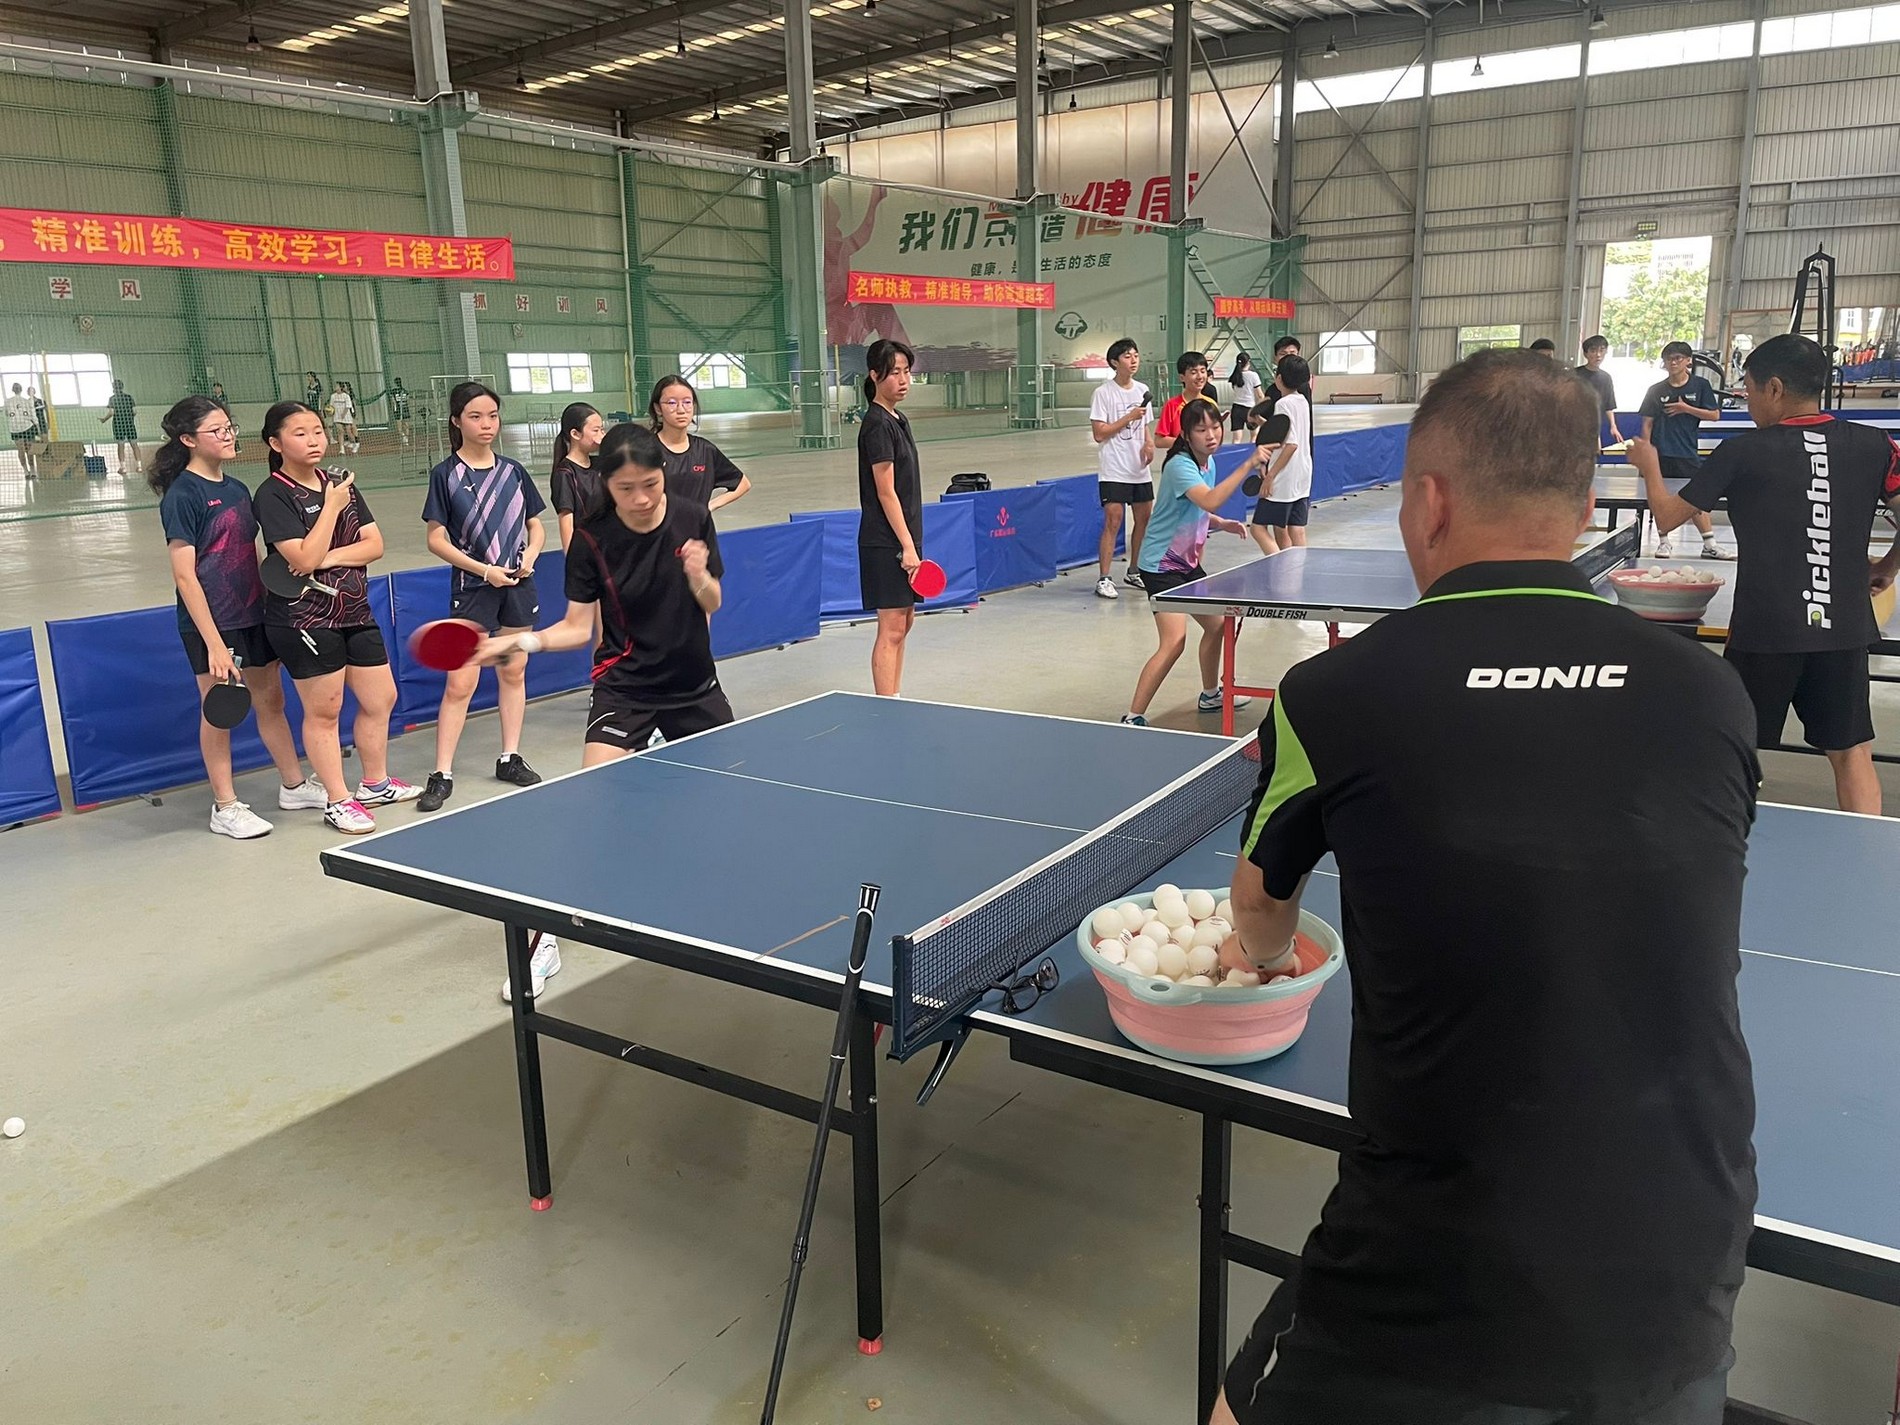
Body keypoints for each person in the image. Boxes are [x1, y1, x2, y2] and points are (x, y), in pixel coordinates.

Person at [1209, 348, 1759, 1425]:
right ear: (1578, 503)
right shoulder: (1711, 694)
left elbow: (1259, 917)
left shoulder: (1330, 693)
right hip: (1685, 1251)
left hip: (1441, 1254)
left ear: (1428, 501)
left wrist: (1261, 956)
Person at [469, 422, 727, 998]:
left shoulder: (691, 515)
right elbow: (576, 628)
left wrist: (699, 575)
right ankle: (544, 941)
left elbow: (713, 601)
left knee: (736, 802)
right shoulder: (592, 539)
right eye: (626, 488)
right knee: (590, 810)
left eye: (651, 484)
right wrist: (521, 641)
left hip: (694, 686)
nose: (641, 498)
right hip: (626, 689)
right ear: (606, 485)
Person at [1634, 333, 1900, 816]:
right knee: (1852, 754)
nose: (1749, 401)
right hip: (1842, 630)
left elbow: (1667, 517)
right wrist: (1887, 566)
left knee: (1735, 751)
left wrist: (1649, 466)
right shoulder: (1876, 444)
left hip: (1765, 632)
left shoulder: (1741, 451)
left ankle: (1721, 845)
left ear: (1774, 388)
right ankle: (1868, 848)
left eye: (1750, 390)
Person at [151, 396, 321, 839]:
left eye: (229, 427)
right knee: (220, 712)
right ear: (188, 440)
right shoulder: (183, 495)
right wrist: (213, 644)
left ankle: (294, 786)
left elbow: (250, 556)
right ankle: (225, 807)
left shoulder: (238, 489)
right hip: (211, 623)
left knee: (271, 701)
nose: (228, 435)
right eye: (217, 430)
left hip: (252, 614)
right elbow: (185, 576)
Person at [253, 401, 417, 835]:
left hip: (354, 610)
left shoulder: (340, 482)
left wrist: (323, 557)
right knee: (325, 711)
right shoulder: (272, 494)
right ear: (276, 443)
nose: (314, 440)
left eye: (318, 431)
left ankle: (375, 784)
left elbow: (373, 545)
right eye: (300, 433)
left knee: (381, 698)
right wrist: (330, 509)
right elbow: (300, 558)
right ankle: (338, 800)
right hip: (305, 619)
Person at [417, 381, 547, 814]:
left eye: (492, 415)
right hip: (473, 588)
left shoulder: (514, 471)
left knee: (513, 670)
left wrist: (531, 555)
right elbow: (436, 539)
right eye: (475, 416)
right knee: (461, 682)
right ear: (457, 421)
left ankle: (510, 757)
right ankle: (442, 773)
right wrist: (484, 570)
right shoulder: (445, 475)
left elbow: (535, 524)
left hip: (518, 585)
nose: (486, 424)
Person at [1122, 399, 1258, 726]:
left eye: (1215, 427)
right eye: (1201, 429)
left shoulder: (1207, 463)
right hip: (1160, 565)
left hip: (1187, 563)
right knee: (1174, 642)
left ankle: (1210, 694)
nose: (1211, 435)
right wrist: (1248, 464)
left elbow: (1195, 507)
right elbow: (1208, 499)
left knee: (1216, 625)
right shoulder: (1179, 466)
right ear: (1186, 434)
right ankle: (1133, 716)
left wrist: (1220, 523)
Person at [857, 338, 924, 697]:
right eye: (894, 372)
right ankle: (886, 706)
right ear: (874, 375)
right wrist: (907, 546)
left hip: (903, 537)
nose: (903, 380)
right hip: (886, 541)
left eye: (906, 372)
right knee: (892, 626)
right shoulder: (877, 424)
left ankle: (895, 698)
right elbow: (886, 492)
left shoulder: (898, 419)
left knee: (904, 621)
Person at [1640, 341, 1733, 559]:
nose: (1673, 363)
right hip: (1660, 453)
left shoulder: (1700, 385)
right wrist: (1646, 452)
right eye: (1668, 359)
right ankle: (1664, 542)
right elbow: (1647, 423)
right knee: (1660, 499)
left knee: (1695, 499)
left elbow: (1714, 415)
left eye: (1677, 358)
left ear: (1688, 361)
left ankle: (1709, 544)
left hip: (1686, 452)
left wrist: (1686, 408)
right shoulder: (1656, 390)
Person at [1090, 337, 1155, 599]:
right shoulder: (1103, 393)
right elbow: (1099, 433)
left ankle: (1135, 570)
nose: (1134, 360)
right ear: (1115, 362)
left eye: (1136, 355)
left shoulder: (1142, 390)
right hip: (1114, 469)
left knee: (1144, 520)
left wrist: (1148, 443)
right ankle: (1104, 578)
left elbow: (1145, 425)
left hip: (1139, 470)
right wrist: (1128, 417)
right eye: (1127, 356)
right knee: (1113, 521)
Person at [648, 375, 751, 513]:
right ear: (658, 408)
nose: (681, 410)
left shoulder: (705, 450)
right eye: (672, 403)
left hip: (699, 527)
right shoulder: (645, 450)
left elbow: (743, 484)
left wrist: (708, 507)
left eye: (687, 402)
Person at [1250, 354, 1315, 557]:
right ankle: (1299, 570)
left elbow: (1291, 445)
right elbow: (1283, 434)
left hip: (1285, 477)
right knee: (1296, 527)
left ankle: (1280, 567)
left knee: (1258, 528)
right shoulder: (1302, 401)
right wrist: (1259, 421)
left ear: (1278, 378)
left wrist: (1270, 476)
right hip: (1303, 474)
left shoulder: (1283, 404)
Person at [549, 401, 605, 552]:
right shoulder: (565, 473)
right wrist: (572, 559)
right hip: (588, 550)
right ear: (575, 434)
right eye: (595, 430)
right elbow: (566, 521)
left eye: (602, 429)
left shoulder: (600, 463)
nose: (601, 435)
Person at [1153, 350, 1221, 450]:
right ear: (1182, 377)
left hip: (1206, 458)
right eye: (1193, 372)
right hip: (1181, 457)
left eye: (1203, 371)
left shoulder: (1211, 404)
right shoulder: (1172, 405)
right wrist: (1187, 442)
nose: (1200, 376)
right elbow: (1159, 441)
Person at [1575, 334, 1625, 447]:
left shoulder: (1606, 378)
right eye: (1593, 351)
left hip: (1594, 427)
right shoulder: (1575, 374)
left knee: (1594, 454)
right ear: (1585, 354)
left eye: (1601, 350)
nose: (1598, 355)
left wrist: (1613, 426)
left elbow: (1609, 405)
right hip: (1574, 426)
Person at [102, 379, 141, 475]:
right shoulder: (129, 397)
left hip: (118, 424)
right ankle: (139, 466)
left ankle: (123, 468)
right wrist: (129, 417)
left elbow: (111, 412)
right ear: (122, 387)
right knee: (134, 445)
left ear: (113, 388)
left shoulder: (112, 399)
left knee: (120, 445)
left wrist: (104, 419)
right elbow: (135, 412)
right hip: (129, 424)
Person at [1227, 352, 1264, 443]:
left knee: (1236, 439)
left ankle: (1235, 453)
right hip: (1250, 409)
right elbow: (1260, 395)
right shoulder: (1253, 375)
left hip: (1236, 408)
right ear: (1248, 362)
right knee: (1254, 437)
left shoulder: (1235, 375)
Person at [7, 383, 38, 479]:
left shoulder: (7, 402)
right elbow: (32, 414)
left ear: (13, 390)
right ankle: (32, 470)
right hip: (27, 427)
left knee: (20, 450)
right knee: (29, 449)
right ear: (21, 390)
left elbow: (7, 414)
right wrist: (36, 424)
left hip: (15, 429)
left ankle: (26, 472)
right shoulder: (26, 401)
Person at [330, 381, 358, 455]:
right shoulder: (333, 396)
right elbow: (331, 406)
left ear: (341, 387)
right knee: (340, 431)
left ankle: (355, 444)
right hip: (337, 416)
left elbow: (348, 406)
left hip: (346, 416)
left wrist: (343, 414)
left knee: (348, 431)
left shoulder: (346, 396)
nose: (335, 387)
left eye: (337, 386)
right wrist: (331, 413)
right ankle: (341, 449)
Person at [384, 377, 413, 447]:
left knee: (399, 427)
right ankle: (407, 439)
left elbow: (393, 401)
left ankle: (404, 437)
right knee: (406, 425)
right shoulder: (405, 391)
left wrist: (394, 409)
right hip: (405, 408)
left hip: (398, 410)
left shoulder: (393, 391)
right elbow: (408, 400)